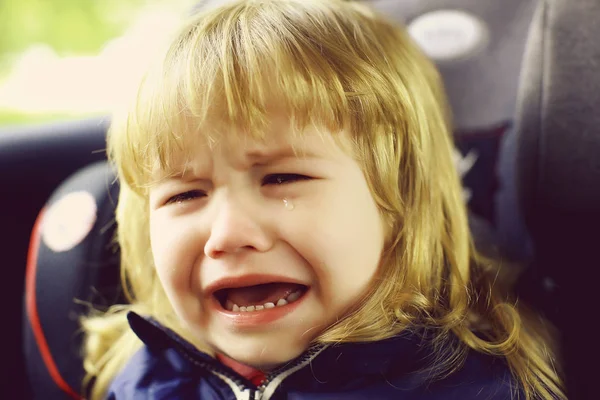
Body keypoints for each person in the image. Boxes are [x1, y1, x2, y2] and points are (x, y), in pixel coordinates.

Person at [81, 0, 565, 399]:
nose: (227, 235)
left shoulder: (468, 387)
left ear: (399, 201)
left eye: (282, 179)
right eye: (185, 193)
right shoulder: (145, 376)